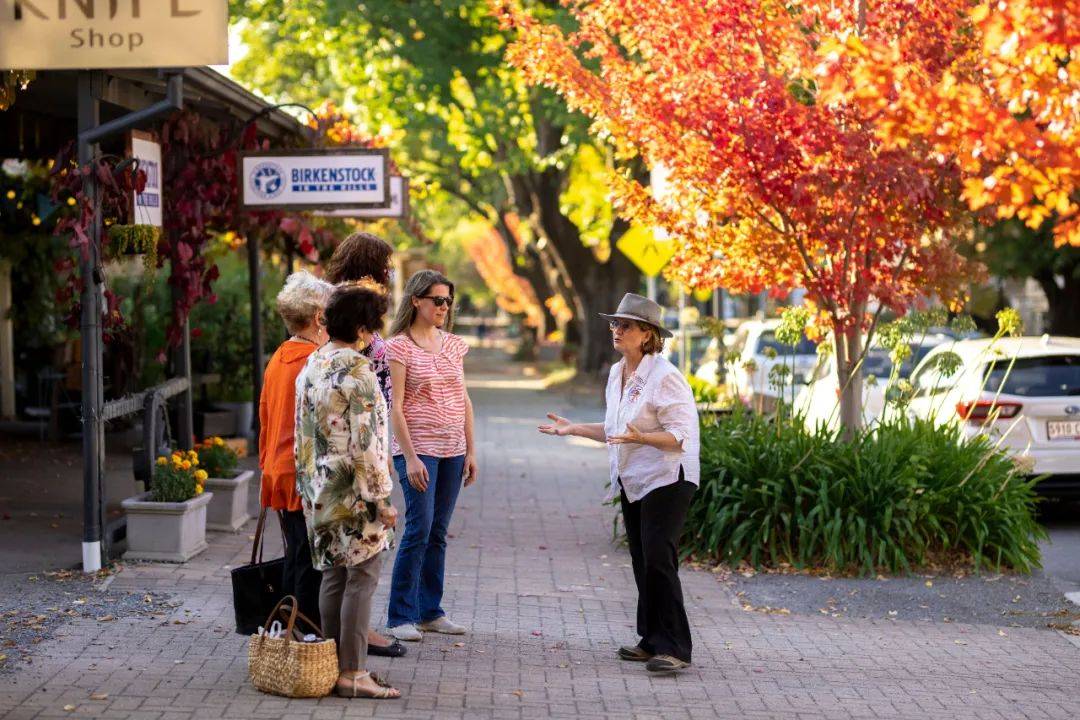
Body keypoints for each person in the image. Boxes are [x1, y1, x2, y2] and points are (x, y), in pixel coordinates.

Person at [539, 293, 699, 674]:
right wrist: (574, 428)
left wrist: (642, 439)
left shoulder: (665, 377)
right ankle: (651, 640)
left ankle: (675, 647)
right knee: (642, 559)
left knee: (660, 557)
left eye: (625, 325)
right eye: (615, 323)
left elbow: (681, 436)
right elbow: (616, 430)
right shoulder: (617, 373)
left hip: (667, 477)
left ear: (647, 335)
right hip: (634, 478)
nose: (617, 330)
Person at [295, 281, 401, 699]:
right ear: (362, 326)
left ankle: (334, 665)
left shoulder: (313, 364)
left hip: (320, 486)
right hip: (354, 490)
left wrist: (307, 487)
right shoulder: (359, 372)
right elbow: (368, 443)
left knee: (333, 576)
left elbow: (299, 433)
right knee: (363, 576)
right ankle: (354, 673)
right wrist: (382, 499)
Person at [323, 230, 406, 658]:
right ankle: (352, 660)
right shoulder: (355, 353)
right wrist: (380, 480)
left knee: (339, 565)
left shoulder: (323, 358)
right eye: (386, 264)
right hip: (356, 463)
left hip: (329, 466)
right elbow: (364, 423)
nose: (391, 272)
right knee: (360, 563)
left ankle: (335, 649)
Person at [384, 270, 479, 642]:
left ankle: (430, 611)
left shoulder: (454, 345)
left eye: (447, 301)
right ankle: (400, 615)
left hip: (453, 450)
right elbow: (396, 408)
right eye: (437, 300)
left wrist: (472, 450)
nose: (443, 307)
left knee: (437, 532)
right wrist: (409, 457)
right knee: (418, 529)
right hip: (419, 451)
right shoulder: (399, 348)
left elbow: (464, 399)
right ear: (416, 301)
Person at [258, 271, 332, 625]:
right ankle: (302, 639)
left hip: (280, 470)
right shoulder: (314, 362)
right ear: (319, 317)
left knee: (297, 557)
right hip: (305, 474)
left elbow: (265, 418)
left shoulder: (280, 357)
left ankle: (285, 633)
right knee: (309, 564)